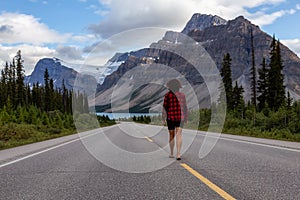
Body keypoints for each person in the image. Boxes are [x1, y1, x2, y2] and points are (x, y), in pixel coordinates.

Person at [162, 79, 188, 160]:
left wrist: (163, 119)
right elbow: (185, 108)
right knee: (179, 135)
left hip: (170, 118)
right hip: (180, 118)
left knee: (171, 136)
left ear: (169, 87)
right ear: (178, 87)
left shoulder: (167, 95)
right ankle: (178, 154)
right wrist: (186, 118)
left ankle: (172, 153)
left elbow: (165, 108)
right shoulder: (182, 95)